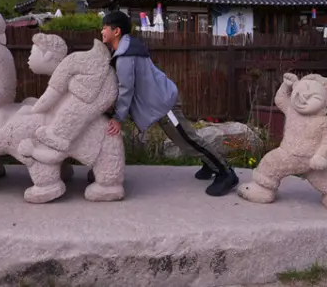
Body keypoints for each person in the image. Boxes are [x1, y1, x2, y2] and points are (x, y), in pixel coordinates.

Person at [101, 10, 239, 196]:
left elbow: (126, 90)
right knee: (185, 140)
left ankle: (226, 173)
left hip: (164, 105)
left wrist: (118, 118)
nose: (102, 31)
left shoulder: (125, 54)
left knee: (187, 139)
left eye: (104, 28)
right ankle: (210, 164)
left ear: (116, 31)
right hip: (160, 103)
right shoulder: (125, 49)